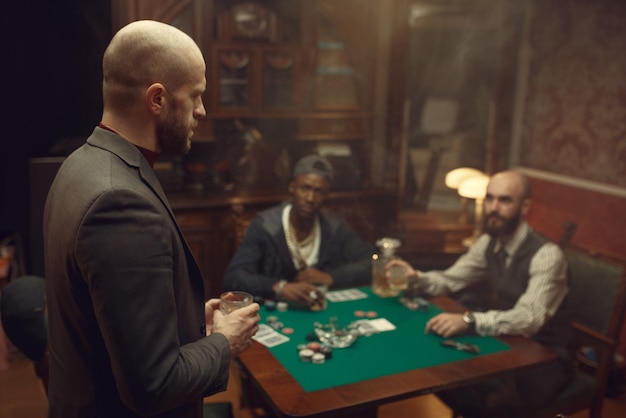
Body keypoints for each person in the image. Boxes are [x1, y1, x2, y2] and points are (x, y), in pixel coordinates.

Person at [43, 20, 260, 418]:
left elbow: (108, 316)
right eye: (194, 95)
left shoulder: (81, 163)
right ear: (157, 99)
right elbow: (152, 385)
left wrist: (192, 323)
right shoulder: (119, 203)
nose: (202, 110)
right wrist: (223, 343)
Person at [388, 170, 572, 418]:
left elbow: (529, 319)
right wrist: (415, 279)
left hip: (545, 357)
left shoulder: (547, 255)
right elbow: (451, 279)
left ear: (525, 206)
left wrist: (469, 321)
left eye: (504, 200)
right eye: (490, 198)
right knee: (441, 370)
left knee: (487, 400)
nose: (494, 208)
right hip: (509, 343)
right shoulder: (489, 242)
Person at [223, 155, 374, 307]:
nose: (310, 198)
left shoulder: (334, 225)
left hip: (321, 308)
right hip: (275, 311)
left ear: (327, 195)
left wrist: (332, 277)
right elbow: (235, 277)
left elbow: (372, 261)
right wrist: (279, 287)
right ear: (292, 188)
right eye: (305, 188)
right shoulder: (265, 225)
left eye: (319, 191)